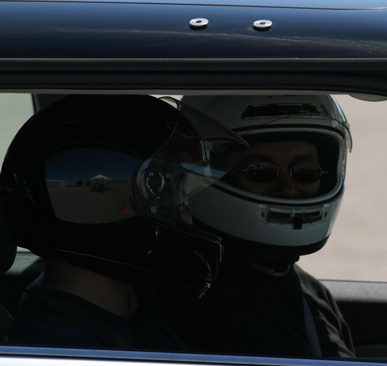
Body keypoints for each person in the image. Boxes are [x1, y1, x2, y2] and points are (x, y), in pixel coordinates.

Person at [0, 95, 225, 350]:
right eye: (177, 200)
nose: (189, 219)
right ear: (107, 206)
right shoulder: (71, 350)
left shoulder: (118, 317)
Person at [163, 95, 356, 358]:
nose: (288, 189)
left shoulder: (309, 292)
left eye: (306, 173)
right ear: (203, 174)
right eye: (260, 171)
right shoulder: (181, 294)